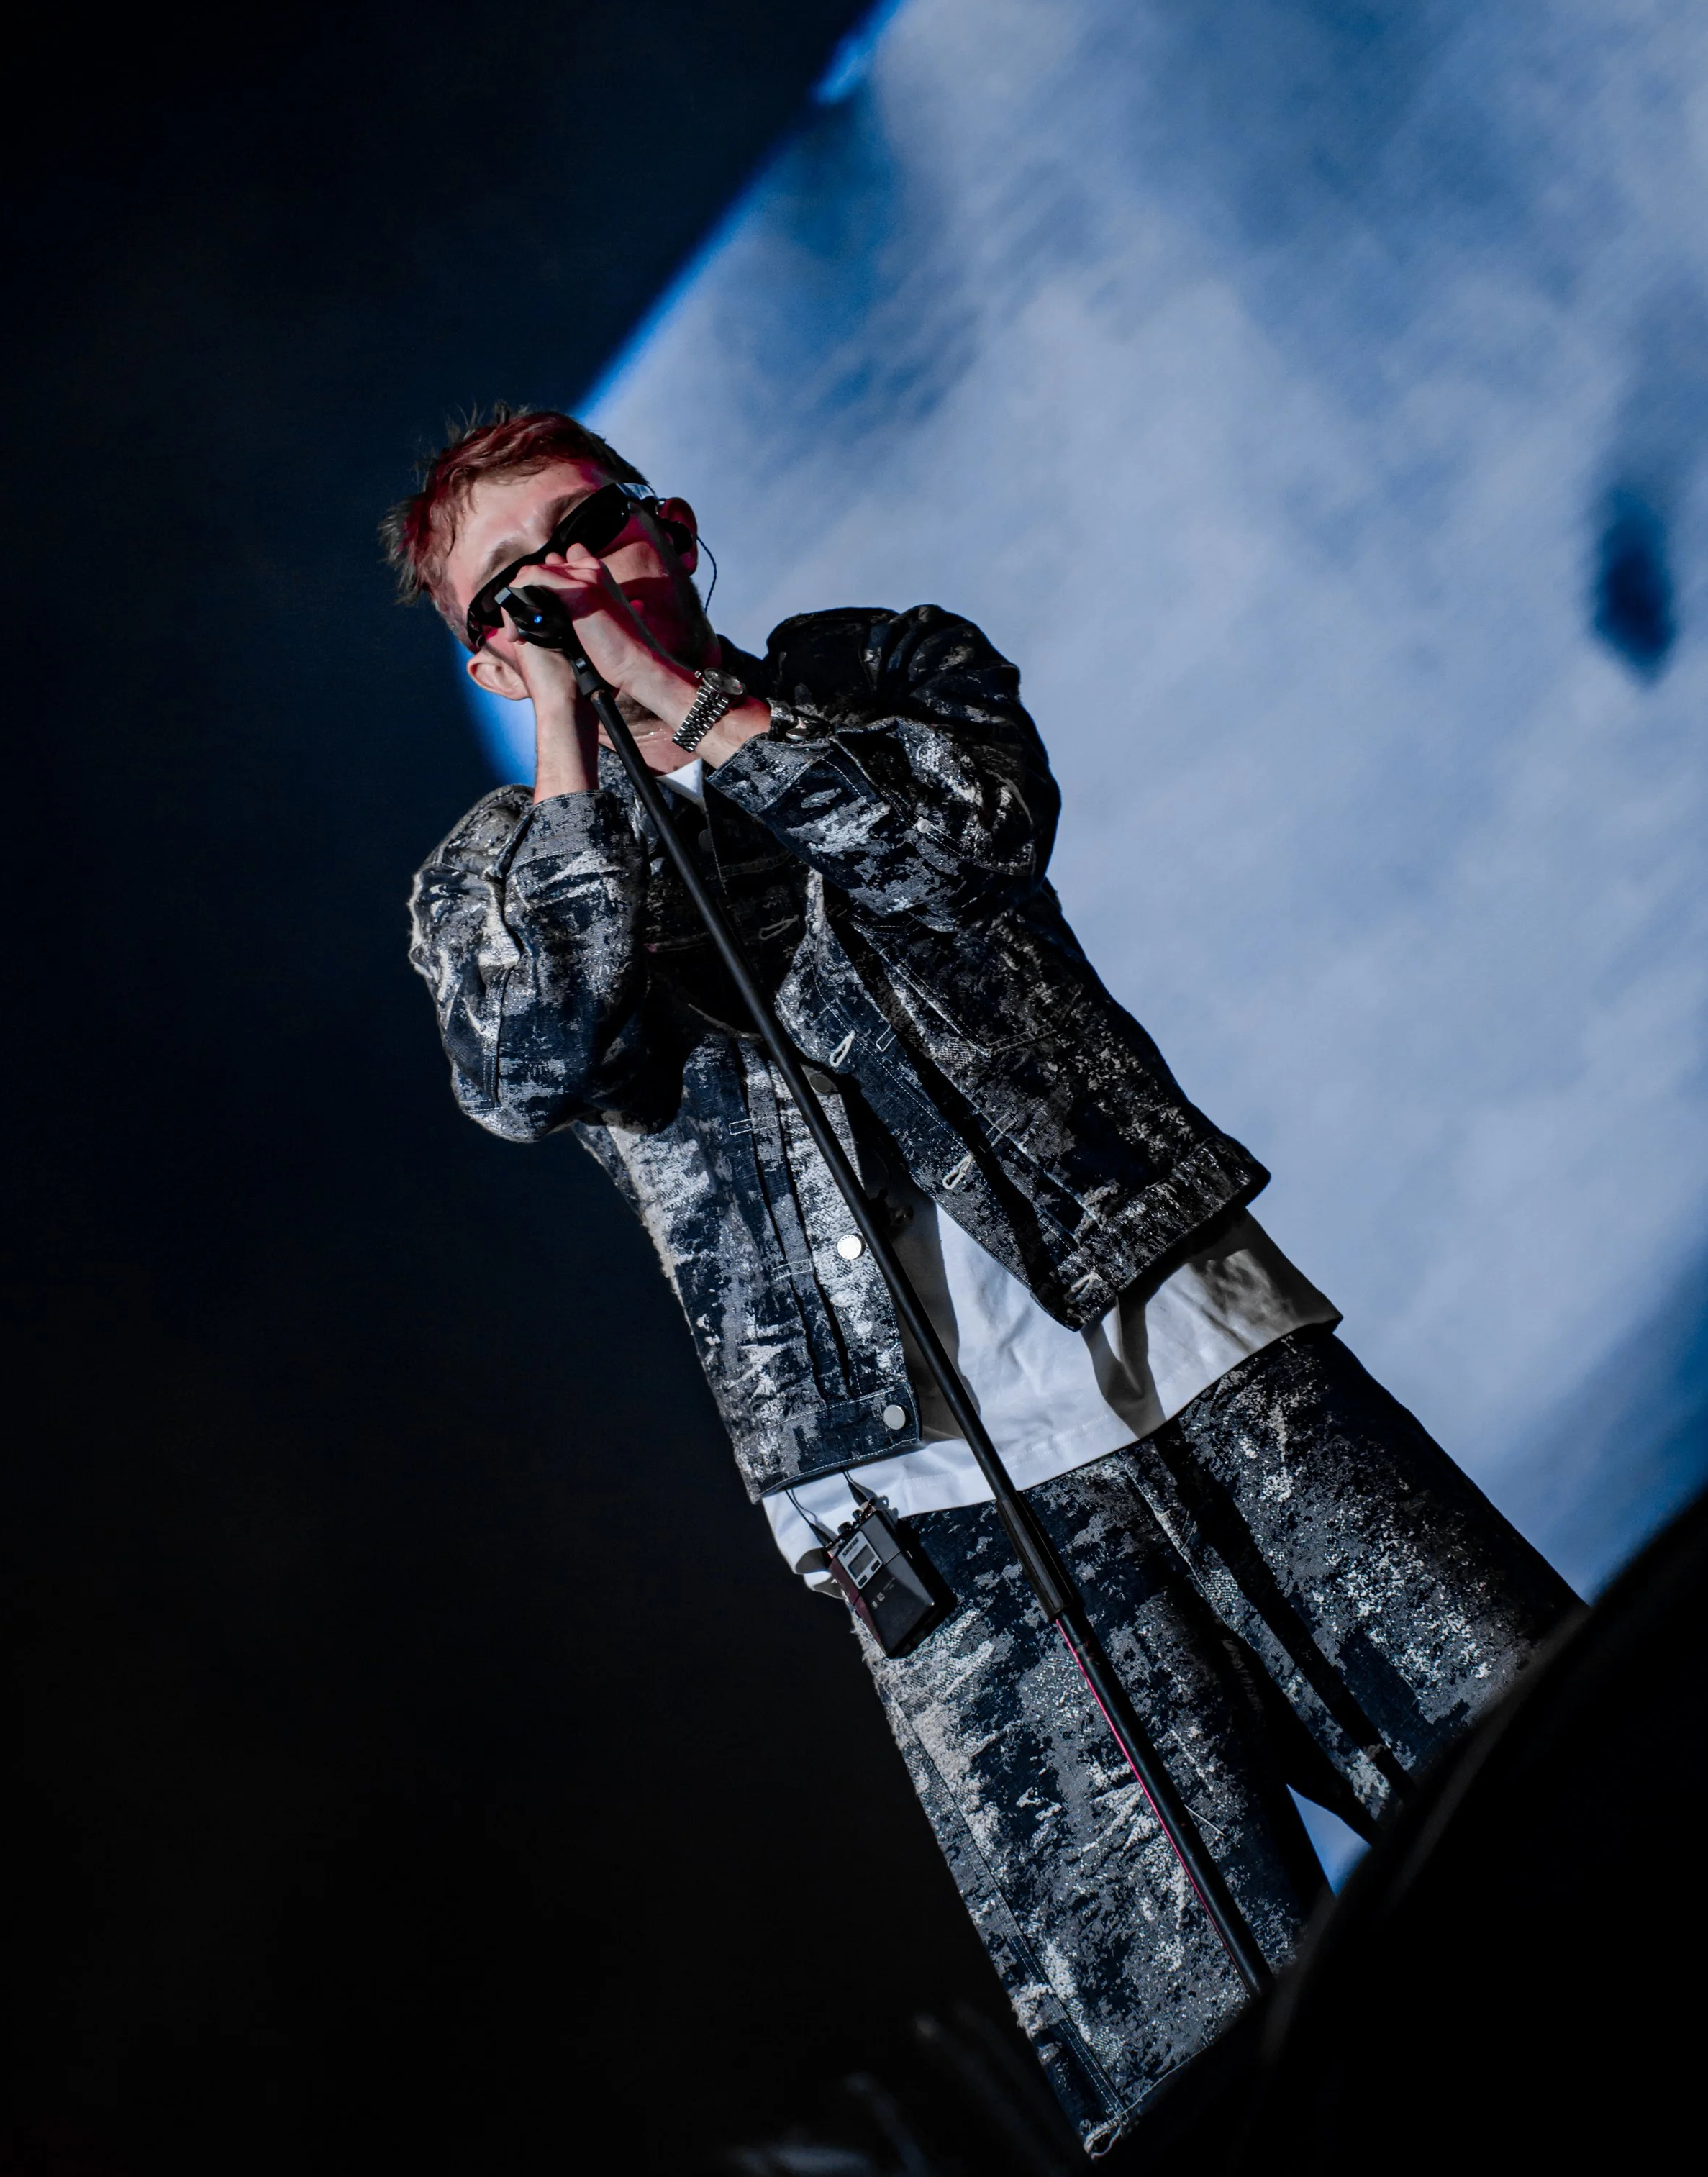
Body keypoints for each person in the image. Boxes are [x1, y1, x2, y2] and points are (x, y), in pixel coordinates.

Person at [387, 405, 1578, 2155]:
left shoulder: (881, 671)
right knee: (1204, 2066)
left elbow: (962, 849)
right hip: (935, 1531)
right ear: (494, 661)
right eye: (515, 588)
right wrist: (585, 734)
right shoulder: (496, 876)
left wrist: (706, 714)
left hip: (1201, 1370)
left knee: (1570, 1804)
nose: (569, 577)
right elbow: (527, 1060)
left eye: (589, 525)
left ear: (673, 523)